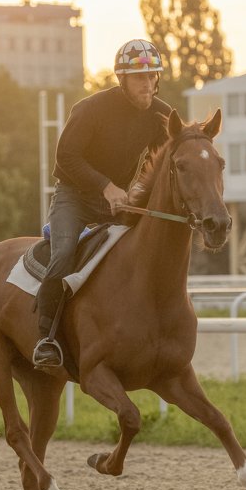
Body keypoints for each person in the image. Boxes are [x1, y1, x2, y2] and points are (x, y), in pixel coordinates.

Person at [33, 38, 171, 368]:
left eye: (153, 77)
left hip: (118, 200)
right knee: (65, 252)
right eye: (140, 78)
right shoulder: (91, 109)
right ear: (121, 79)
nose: (148, 86)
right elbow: (65, 156)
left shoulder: (160, 115)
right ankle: (46, 339)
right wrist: (106, 186)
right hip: (73, 197)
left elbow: (161, 163)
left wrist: (136, 193)